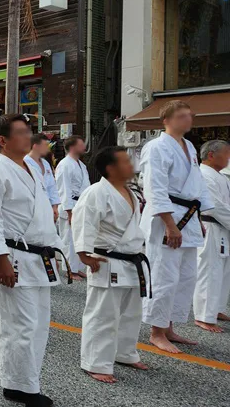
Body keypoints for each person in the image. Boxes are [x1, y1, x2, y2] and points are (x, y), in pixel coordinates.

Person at [0, 114, 68, 407]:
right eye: (22, 133)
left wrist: (59, 251)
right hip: (13, 257)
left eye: (29, 132)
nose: (29, 137)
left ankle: (20, 382)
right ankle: (23, 388)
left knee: (38, 324)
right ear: (3, 141)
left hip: (40, 256)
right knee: (19, 326)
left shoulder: (34, 169)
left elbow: (42, 216)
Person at [139, 100, 214, 354]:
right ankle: (156, 331)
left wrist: (199, 219)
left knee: (185, 276)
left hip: (189, 216)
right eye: (181, 116)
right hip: (166, 217)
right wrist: (170, 225)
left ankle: (169, 326)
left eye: (189, 115)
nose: (187, 120)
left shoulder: (190, 147)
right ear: (166, 120)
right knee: (164, 275)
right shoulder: (156, 147)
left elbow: (198, 185)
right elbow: (154, 188)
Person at [73, 146, 149, 384]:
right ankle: (95, 362)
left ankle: (124, 352)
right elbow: (84, 221)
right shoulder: (96, 192)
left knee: (131, 312)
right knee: (103, 314)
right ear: (110, 168)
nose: (132, 165)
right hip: (106, 260)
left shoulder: (131, 191)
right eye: (126, 161)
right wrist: (84, 254)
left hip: (132, 259)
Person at [193, 140, 230, 333]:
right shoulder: (203, 174)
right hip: (210, 225)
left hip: (223, 228)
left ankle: (216, 309)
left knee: (223, 272)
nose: (228, 157)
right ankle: (203, 316)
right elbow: (214, 205)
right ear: (211, 155)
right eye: (226, 153)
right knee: (209, 271)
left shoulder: (220, 176)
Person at [56, 135, 91, 280]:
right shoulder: (64, 164)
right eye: (81, 144)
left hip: (82, 204)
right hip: (70, 205)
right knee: (69, 239)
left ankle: (78, 267)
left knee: (80, 238)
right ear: (72, 147)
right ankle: (70, 269)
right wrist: (69, 212)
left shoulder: (81, 165)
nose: (84, 146)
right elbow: (64, 189)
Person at [25, 134, 61, 222]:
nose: (48, 149)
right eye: (45, 145)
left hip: (48, 206)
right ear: (35, 146)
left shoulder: (45, 163)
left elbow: (52, 186)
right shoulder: (25, 163)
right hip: (32, 207)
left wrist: (55, 206)